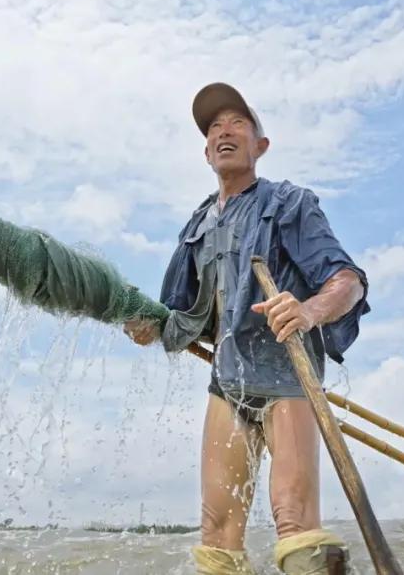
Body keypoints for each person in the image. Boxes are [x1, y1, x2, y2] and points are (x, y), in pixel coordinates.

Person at [124, 83, 370, 575]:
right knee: (216, 532)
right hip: (228, 382)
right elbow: (178, 314)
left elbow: (348, 281)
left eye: (238, 123)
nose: (224, 131)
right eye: (214, 127)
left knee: (293, 520)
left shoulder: (289, 202)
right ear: (206, 151)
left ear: (261, 145)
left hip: (287, 376)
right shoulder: (197, 223)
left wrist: (308, 310)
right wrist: (149, 327)